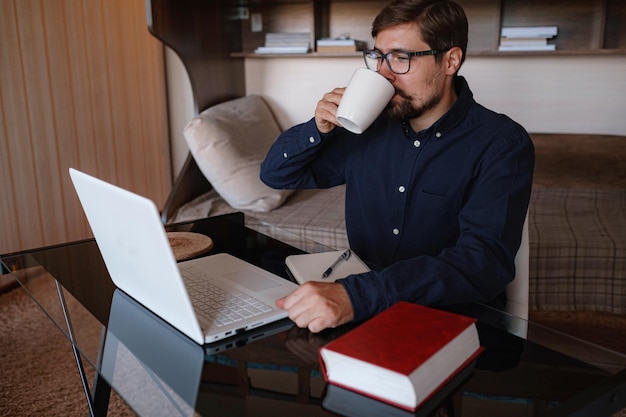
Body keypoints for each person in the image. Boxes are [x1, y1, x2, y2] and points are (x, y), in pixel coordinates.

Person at [260, 0, 534, 333]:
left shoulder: (502, 143)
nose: (384, 74)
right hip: (362, 309)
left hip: (450, 320)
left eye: (401, 58)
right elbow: (276, 175)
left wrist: (359, 295)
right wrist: (316, 128)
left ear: (450, 60)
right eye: (378, 57)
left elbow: (483, 262)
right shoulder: (366, 128)